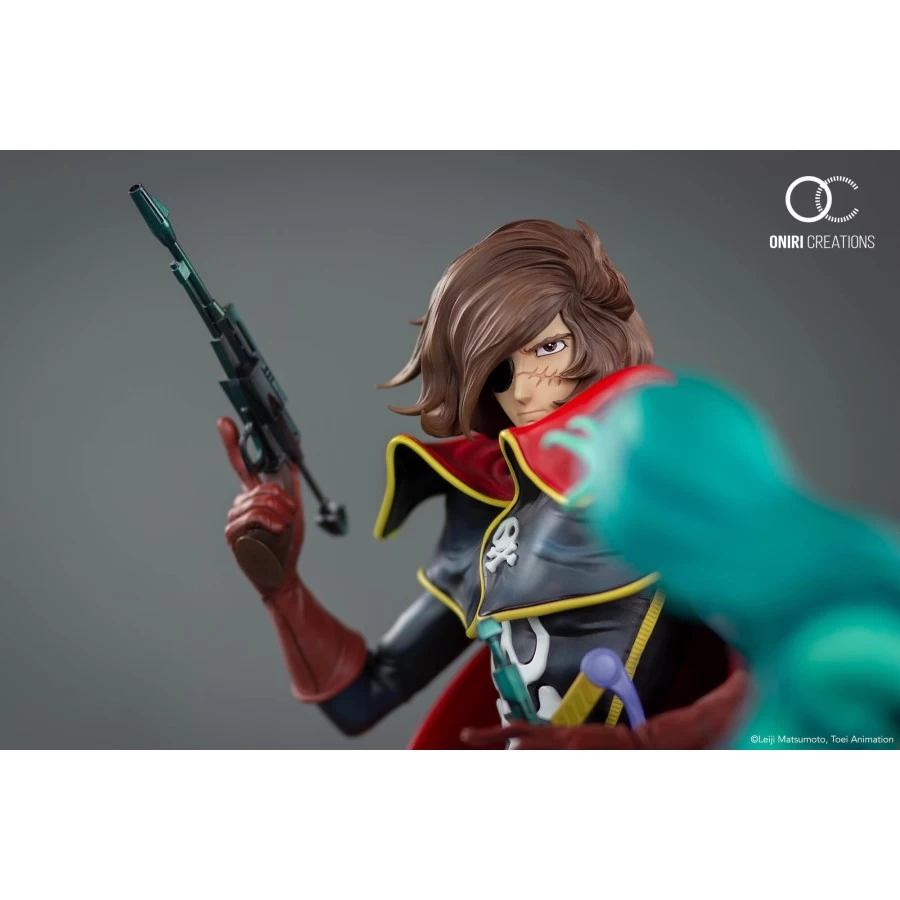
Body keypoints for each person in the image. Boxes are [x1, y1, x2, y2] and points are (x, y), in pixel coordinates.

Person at [216, 219, 740, 748]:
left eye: (548, 347)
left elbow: (783, 657)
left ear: (600, 334)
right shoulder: (494, 512)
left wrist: (637, 748)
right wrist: (282, 589)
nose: (528, 390)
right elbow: (363, 696)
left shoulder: (669, 478)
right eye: (501, 372)